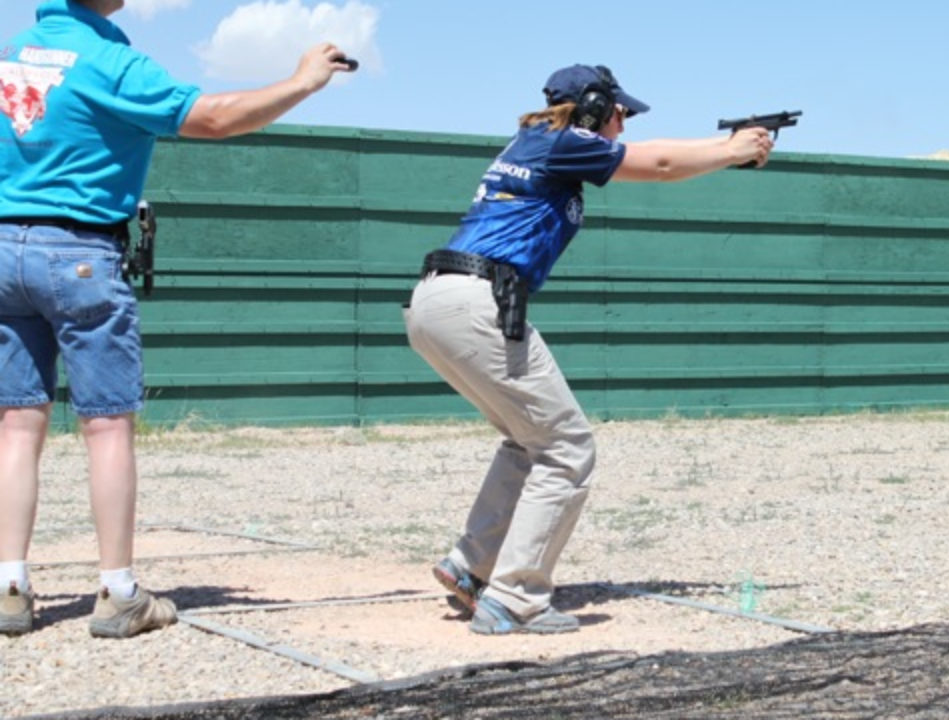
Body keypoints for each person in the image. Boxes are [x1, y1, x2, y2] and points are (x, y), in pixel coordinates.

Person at [0, 0, 355, 638]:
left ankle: (9, 587)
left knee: (16, 424)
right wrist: (305, 80)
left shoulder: (11, 53)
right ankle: (118, 592)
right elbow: (213, 119)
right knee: (106, 426)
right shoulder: (111, 62)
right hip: (79, 252)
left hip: (3, 251)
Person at [404, 63, 774, 635]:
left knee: (529, 442)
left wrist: (728, 146)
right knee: (568, 447)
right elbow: (661, 163)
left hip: (441, 300)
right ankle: (515, 597)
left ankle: (470, 567)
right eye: (619, 111)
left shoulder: (542, 141)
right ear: (595, 107)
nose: (623, 123)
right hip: (475, 299)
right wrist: (731, 151)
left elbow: (658, 153)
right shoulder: (562, 141)